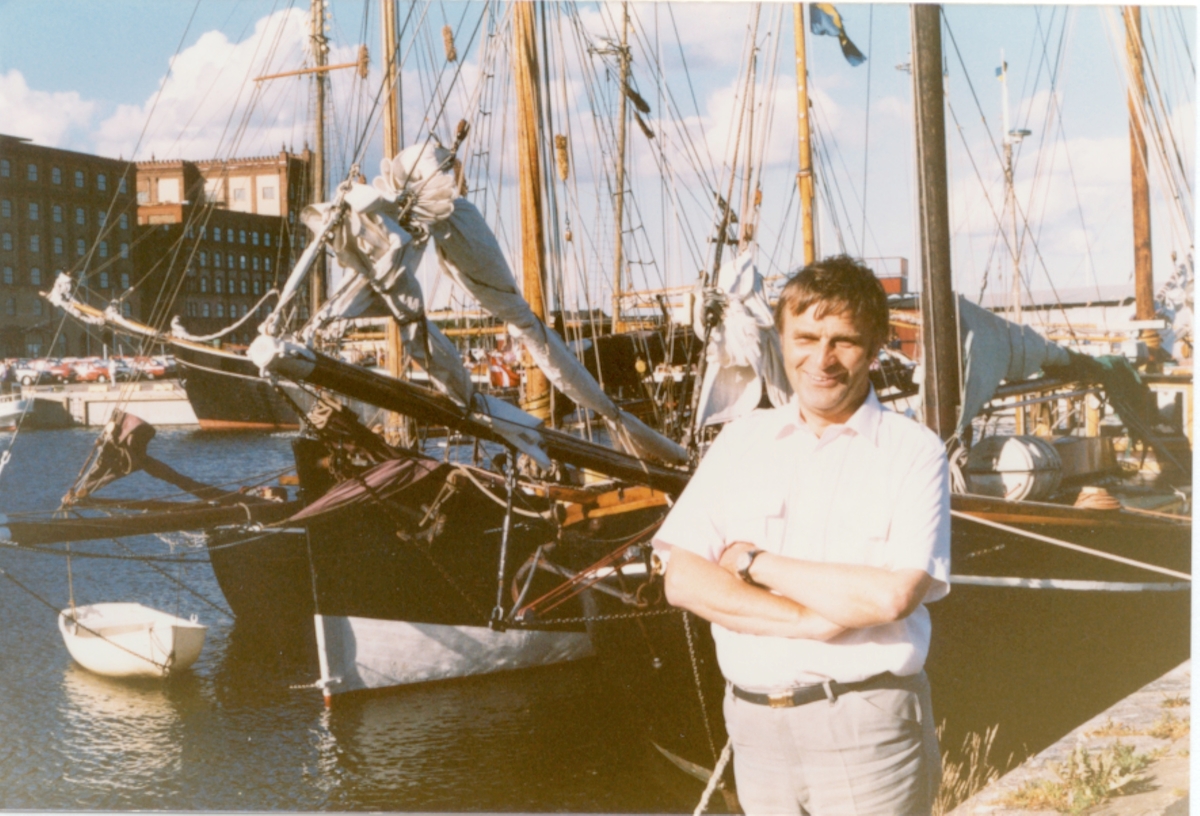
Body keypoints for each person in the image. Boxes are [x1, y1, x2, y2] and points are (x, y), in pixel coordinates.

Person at [655, 255, 951, 816]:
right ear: (782, 338)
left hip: (866, 728)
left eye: (844, 341)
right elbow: (683, 580)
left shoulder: (912, 452)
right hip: (753, 731)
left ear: (876, 344)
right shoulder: (741, 442)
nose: (822, 359)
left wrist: (753, 563)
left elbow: (892, 597)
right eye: (807, 338)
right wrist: (812, 620)